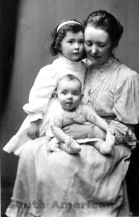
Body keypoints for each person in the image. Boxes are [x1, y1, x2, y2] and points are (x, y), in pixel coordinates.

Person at [5, 10, 139, 217]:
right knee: (30, 151)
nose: (93, 51)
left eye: (101, 45)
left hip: (107, 141)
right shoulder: (80, 67)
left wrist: (88, 131)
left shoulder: (127, 77)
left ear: (114, 44)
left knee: (61, 162)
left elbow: (127, 128)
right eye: (88, 43)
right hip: (70, 132)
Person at [3, 19, 90, 155]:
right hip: (53, 115)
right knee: (46, 149)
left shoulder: (85, 66)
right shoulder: (54, 69)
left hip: (75, 113)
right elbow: (39, 95)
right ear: (59, 44)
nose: (77, 47)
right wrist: (34, 122)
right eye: (71, 42)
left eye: (81, 42)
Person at [45, 74, 115, 154]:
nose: (69, 97)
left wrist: (107, 128)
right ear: (56, 96)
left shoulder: (83, 109)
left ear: (81, 97)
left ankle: (106, 147)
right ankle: (71, 148)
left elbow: (95, 118)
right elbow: (55, 129)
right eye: (64, 93)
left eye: (74, 93)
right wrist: (66, 139)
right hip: (65, 138)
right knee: (60, 143)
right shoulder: (57, 112)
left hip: (84, 136)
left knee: (95, 141)